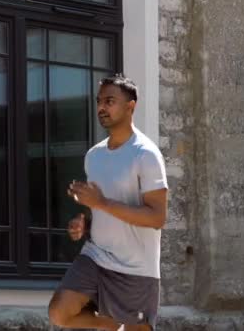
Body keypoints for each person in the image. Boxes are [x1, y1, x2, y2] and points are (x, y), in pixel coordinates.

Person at [48, 74, 168, 331]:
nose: (101, 107)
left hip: (136, 268)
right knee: (59, 312)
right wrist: (85, 223)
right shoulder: (94, 156)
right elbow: (98, 208)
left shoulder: (146, 154)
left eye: (110, 101)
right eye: (99, 101)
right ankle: (110, 323)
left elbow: (157, 217)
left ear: (130, 106)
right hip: (97, 256)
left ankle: (120, 323)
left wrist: (102, 203)